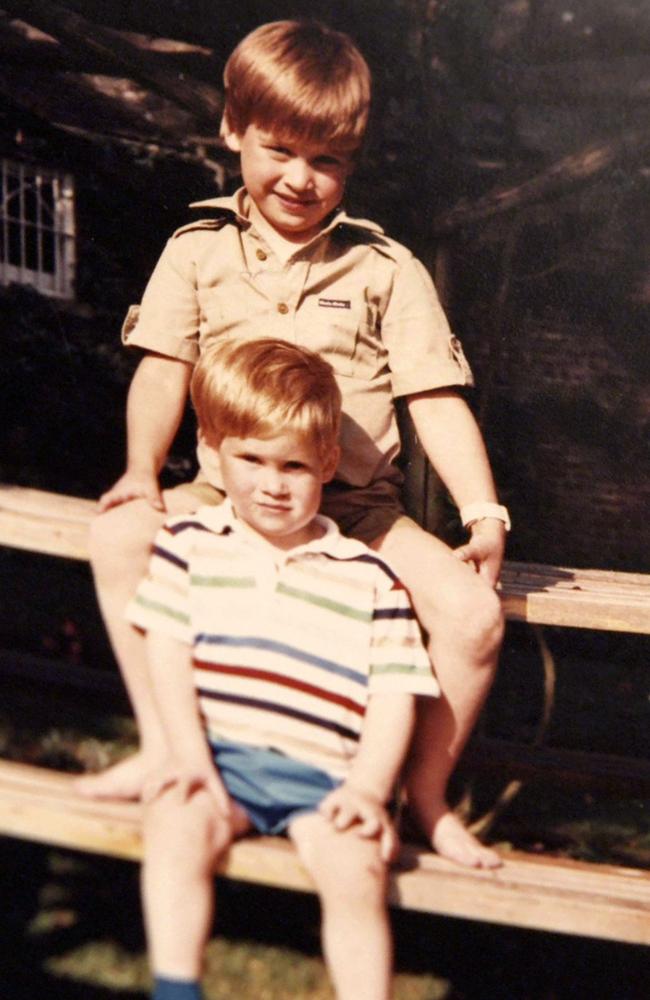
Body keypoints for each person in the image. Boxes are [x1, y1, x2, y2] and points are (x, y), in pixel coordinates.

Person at [77, 19, 508, 869]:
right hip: (230, 500)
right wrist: (138, 472)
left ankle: (421, 796)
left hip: (358, 512)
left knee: (474, 618)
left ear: (352, 160)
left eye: (329, 161)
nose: (302, 180)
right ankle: (169, 749)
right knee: (119, 534)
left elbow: (436, 398)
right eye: (280, 150)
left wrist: (484, 513)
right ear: (234, 129)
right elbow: (162, 372)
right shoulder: (198, 252)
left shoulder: (386, 269)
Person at [129, 338, 440, 1000]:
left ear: (328, 463)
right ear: (213, 453)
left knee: (356, 876)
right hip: (221, 762)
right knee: (174, 834)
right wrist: (189, 758)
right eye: (251, 459)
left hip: (324, 778)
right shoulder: (190, 546)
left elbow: (393, 697)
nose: (272, 483)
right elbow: (167, 653)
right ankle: (175, 989)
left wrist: (366, 789)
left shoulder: (371, 578)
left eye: (294, 465)